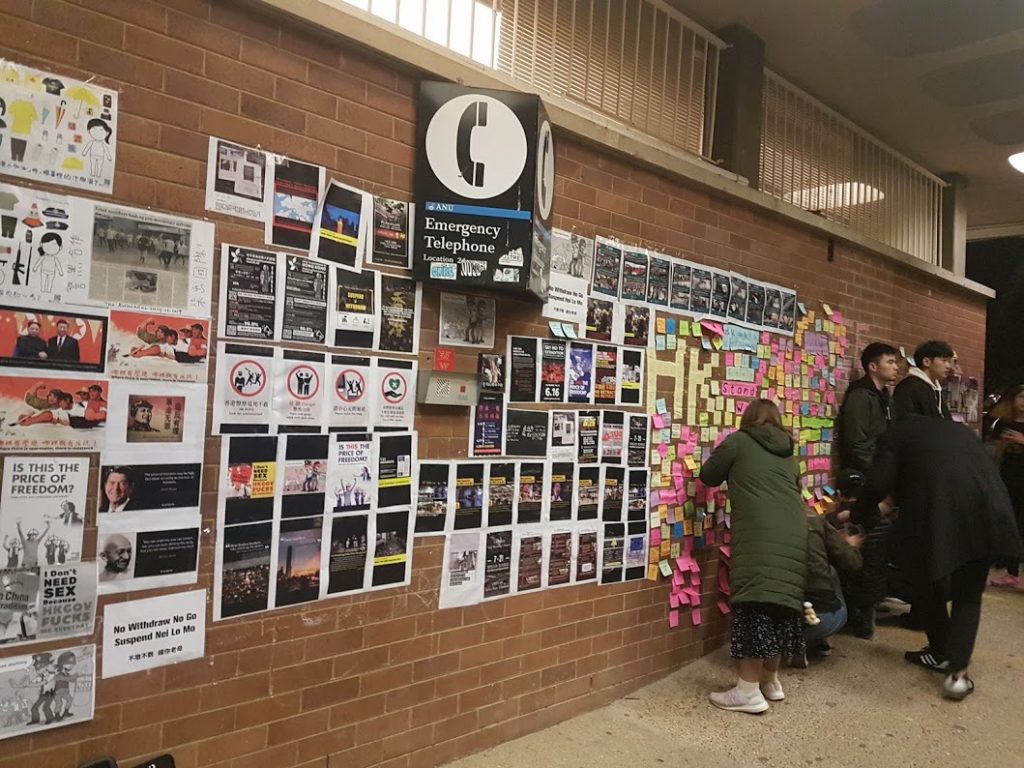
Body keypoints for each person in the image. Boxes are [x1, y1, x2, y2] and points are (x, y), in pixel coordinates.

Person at [853, 415, 1023, 700]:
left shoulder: (895, 435)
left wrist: (860, 516)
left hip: (940, 514)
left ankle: (942, 651)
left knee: (925, 581)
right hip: (988, 508)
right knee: (969, 594)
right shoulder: (956, 431)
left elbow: (878, 482)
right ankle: (957, 675)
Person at [699, 399, 808, 713]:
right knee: (780, 603)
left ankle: (747, 691)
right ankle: (770, 681)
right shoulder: (789, 451)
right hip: (794, 531)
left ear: (748, 419)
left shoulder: (739, 441)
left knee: (755, 604)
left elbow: (708, 475)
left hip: (761, 534)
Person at [791, 507, 864, 667]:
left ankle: (797, 636)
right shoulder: (814, 519)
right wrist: (851, 546)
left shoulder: (759, 520)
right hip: (818, 608)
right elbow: (851, 563)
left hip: (771, 607)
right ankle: (805, 636)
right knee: (831, 573)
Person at [987, 384, 1024, 588]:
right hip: (1007, 479)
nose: (1023, 402)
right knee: (1011, 524)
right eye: (1020, 397)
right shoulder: (1003, 423)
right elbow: (992, 451)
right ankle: (1012, 572)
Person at [893, 340, 955, 419]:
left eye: (949, 361)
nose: (948, 366)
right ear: (926, 362)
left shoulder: (935, 389)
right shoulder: (909, 387)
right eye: (944, 360)